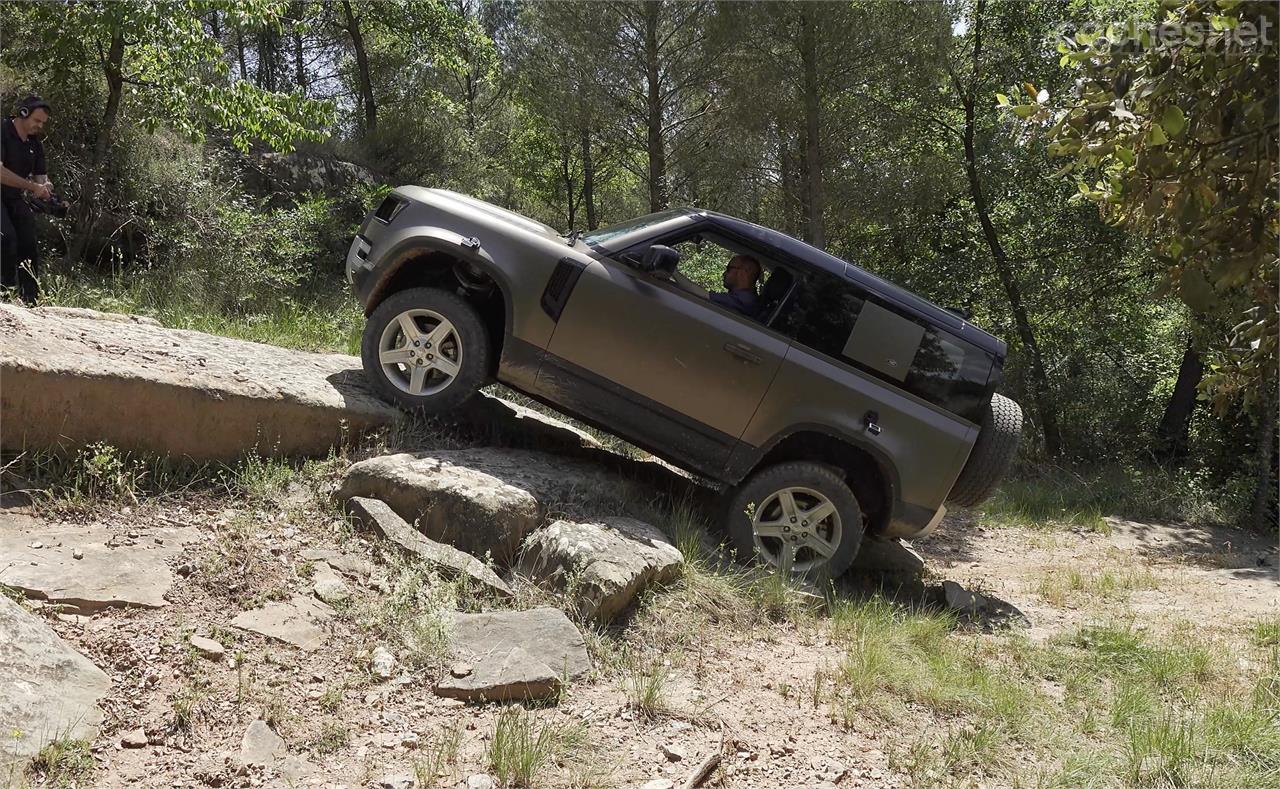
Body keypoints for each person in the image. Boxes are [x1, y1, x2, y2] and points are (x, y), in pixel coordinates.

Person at [1, 95, 53, 305]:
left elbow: (42, 178)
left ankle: (30, 300)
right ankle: (4, 294)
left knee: (28, 241)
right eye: (37, 121)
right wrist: (32, 187)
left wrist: (47, 190)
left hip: (13, 198)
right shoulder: (3, 130)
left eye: (43, 123)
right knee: (5, 238)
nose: (39, 126)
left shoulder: (35, 144)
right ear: (24, 113)